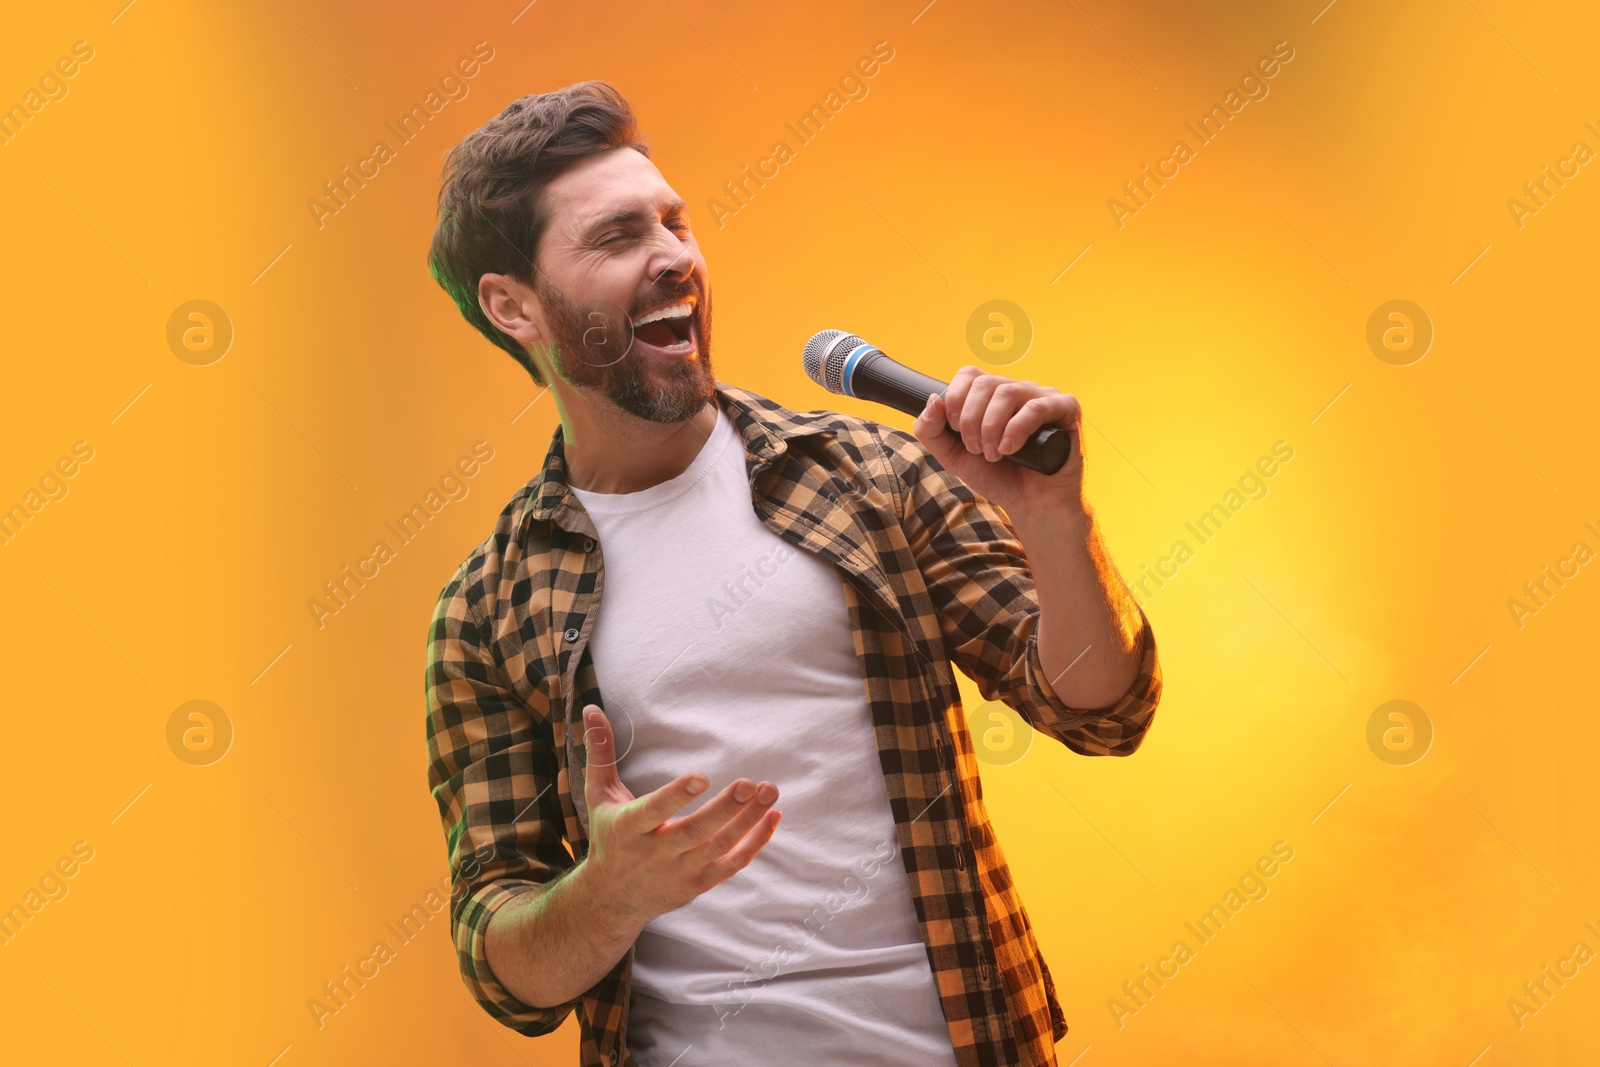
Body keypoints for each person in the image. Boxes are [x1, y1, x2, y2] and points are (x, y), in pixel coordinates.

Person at [424, 80, 1162, 1067]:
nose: (673, 256)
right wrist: (604, 895)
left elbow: (1100, 711)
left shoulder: (867, 475)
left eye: (674, 222)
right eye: (615, 237)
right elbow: (499, 957)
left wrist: (1054, 525)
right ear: (514, 304)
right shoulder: (486, 609)